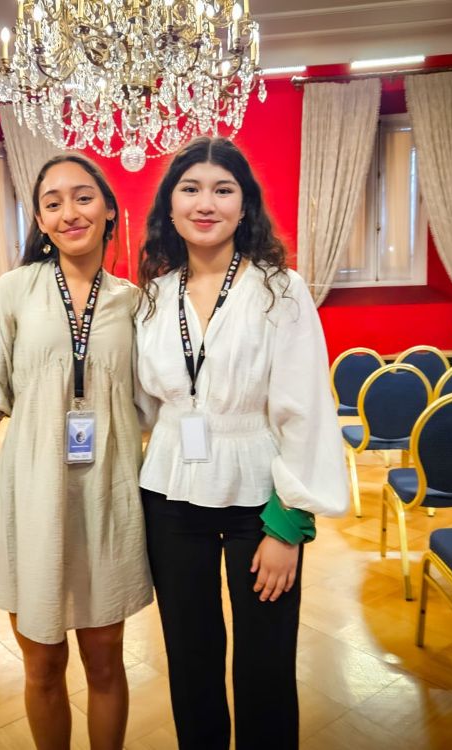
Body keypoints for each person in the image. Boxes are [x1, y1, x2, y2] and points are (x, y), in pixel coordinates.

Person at [134, 136, 348, 750]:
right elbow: (144, 406)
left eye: (222, 190)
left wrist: (289, 525)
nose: (206, 203)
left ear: (244, 205)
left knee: (265, 664)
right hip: (171, 494)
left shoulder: (281, 289)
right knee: (190, 662)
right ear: (170, 206)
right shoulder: (152, 297)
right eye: (190, 189)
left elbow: (305, 413)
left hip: (261, 499)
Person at [0, 154, 152, 750]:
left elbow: (158, 405)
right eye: (52, 203)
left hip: (109, 495)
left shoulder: (134, 303)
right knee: (42, 664)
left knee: (106, 660)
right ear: (39, 219)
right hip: (33, 494)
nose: (69, 213)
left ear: (109, 209)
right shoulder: (15, 291)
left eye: (83, 197)